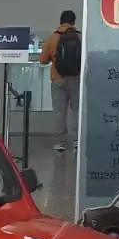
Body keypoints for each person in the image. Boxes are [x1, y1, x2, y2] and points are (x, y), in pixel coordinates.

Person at [38, 10, 83, 152]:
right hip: (76, 78)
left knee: (59, 112)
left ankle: (60, 143)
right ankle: (76, 141)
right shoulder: (80, 37)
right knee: (76, 110)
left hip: (58, 79)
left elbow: (43, 60)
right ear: (73, 22)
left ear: (60, 21)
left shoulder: (53, 38)